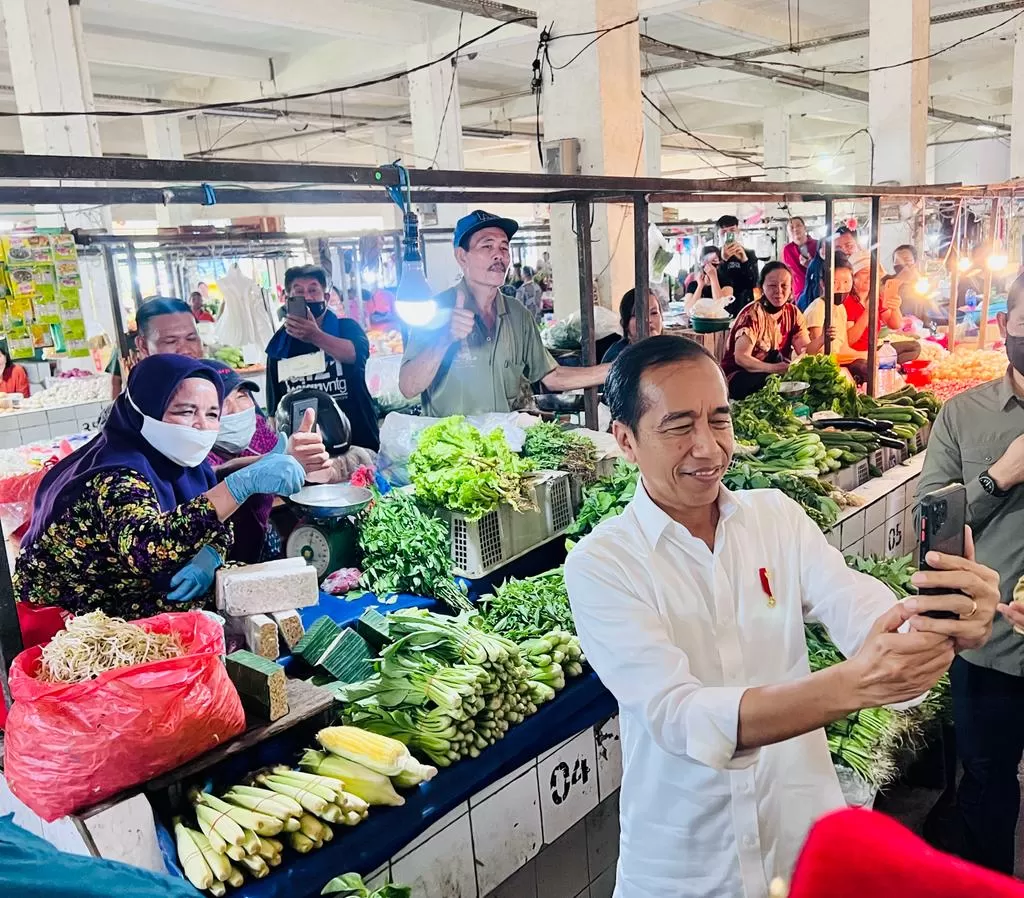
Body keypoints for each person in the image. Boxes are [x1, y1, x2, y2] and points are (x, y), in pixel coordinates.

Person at [564, 333, 1000, 898]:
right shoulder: (604, 563)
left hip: (801, 851)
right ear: (625, 440)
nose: (708, 447)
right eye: (678, 426)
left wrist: (937, 622)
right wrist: (853, 685)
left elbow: (855, 603)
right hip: (687, 868)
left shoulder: (775, 519)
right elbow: (680, 715)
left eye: (719, 420)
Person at [15, 355, 305, 618]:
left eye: (212, 414)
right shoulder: (116, 475)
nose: (201, 426)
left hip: (130, 591)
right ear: (146, 409)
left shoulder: (184, 462)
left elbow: (209, 514)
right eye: (186, 411)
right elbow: (148, 547)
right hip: (73, 616)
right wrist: (241, 484)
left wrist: (211, 552)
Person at [917, 273, 1024, 875]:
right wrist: (999, 477)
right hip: (990, 650)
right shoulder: (964, 415)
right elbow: (932, 529)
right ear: (1007, 324)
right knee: (986, 784)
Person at [399, 210, 609, 417]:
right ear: (462, 257)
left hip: (503, 446)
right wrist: (444, 339)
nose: (499, 255)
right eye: (487, 245)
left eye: (504, 247)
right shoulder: (435, 310)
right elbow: (408, 387)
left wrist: (615, 369)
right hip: (450, 449)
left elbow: (552, 377)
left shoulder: (518, 315)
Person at [202, 359, 331, 564]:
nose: (236, 409)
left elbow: (286, 462)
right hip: (218, 557)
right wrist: (263, 464)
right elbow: (214, 472)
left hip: (261, 540)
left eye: (242, 395)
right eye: (221, 402)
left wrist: (307, 464)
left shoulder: (258, 429)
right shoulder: (195, 453)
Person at [265, 265, 379, 452]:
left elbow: (354, 354)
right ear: (288, 300)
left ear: (326, 297)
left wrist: (315, 335)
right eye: (299, 292)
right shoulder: (279, 345)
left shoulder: (347, 328)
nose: (307, 297)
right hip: (307, 452)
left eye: (313, 290)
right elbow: (273, 410)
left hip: (359, 442)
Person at [721, 261, 810, 399]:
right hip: (739, 377)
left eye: (784, 286)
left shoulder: (793, 313)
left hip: (773, 372)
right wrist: (775, 369)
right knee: (772, 382)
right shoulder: (752, 315)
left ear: (791, 288)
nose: (779, 291)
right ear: (762, 288)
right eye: (772, 285)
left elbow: (805, 351)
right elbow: (741, 358)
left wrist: (823, 338)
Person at [108, 296, 204, 396]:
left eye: (191, 338)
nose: (185, 350)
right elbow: (115, 381)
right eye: (170, 341)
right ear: (143, 346)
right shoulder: (140, 401)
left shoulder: (214, 384)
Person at [844, 257, 920, 370]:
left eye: (874, 273)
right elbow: (849, 340)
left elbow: (895, 325)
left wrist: (895, 307)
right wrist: (867, 313)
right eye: (865, 272)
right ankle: (885, 365)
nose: (870, 277)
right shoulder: (846, 301)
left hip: (873, 351)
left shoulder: (877, 298)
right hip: (854, 355)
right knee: (863, 366)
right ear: (853, 276)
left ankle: (884, 364)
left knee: (914, 347)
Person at [803, 259, 864, 369]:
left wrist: (868, 355)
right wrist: (866, 355)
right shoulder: (818, 308)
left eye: (846, 282)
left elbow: (844, 349)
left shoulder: (840, 308)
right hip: (821, 369)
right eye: (834, 282)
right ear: (822, 283)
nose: (841, 288)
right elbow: (820, 355)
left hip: (838, 362)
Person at [602, 289, 664, 364]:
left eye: (654, 313)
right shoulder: (618, 357)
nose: (649, 320)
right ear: (625, 324)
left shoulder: (668, 348)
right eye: (638, 315)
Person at [715, 214, 760, 316]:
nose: (728, 235)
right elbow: (715, 282)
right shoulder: (715, 255)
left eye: (732, 231)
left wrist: (745, 261)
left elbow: (754, 282)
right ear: (718, 235)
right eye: (724, 232)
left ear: (738, 232)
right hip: (722, 308)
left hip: (745, 306)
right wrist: (724, 261)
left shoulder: (749, 254)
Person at [782, 217, 818, 300]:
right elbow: (786, 273)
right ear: (788, 233)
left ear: (805, 228)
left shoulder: (818, 244)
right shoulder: (787, 250)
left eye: (798, 225)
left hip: (817, 290)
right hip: (799, 293)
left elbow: (826, 269)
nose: (795, 229)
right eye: (791, 228)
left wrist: (810, 265)